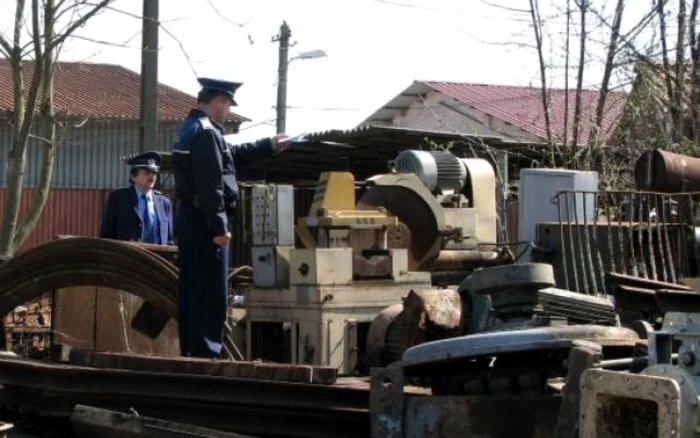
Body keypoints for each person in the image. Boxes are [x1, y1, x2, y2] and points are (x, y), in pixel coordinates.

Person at [172, 77, 289, 358]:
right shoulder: (207, 133)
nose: (227, 113)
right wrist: (220, 227)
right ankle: (205, 355)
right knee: (210, 293)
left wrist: (268, 145)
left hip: (190, 219)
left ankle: (192, 350)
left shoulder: (190, 129)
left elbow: (229, 156)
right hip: (205, 224)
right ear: (219, 101)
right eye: (227, 106)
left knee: (191, 289)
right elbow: (210, 185)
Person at [100, 151, 174, 245]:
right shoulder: (119, 198)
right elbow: (107, 234)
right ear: (133, 177)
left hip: (156, 257)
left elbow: (169, 239)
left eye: (154, 173)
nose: (152, 177)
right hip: (127, 256)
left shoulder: (164, 203)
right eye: (147, 173)